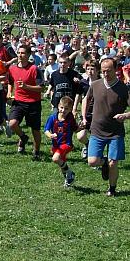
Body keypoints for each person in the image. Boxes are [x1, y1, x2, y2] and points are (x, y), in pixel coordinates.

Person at [87, 57, 129, 197]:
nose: (105, 74)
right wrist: (83, 116)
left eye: (108, 71)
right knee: (92, 161)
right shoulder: (95, 85)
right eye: (103, 71)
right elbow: (87, 99)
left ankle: (112, 188)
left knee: (113, 164)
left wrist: (125, 115)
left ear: (116, 69)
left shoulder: (123, 89)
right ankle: (103, 161)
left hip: (115, 132)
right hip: (97, 130)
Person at [8, 44, 44, 160]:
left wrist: (26, 87)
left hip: (33, 103)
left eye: (23, 53)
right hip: (18, 102)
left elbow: (41, 88)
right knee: (12, 124)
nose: (20, 55)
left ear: (28, 55)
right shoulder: (12, 68)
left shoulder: (34, 69)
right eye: (19, 53)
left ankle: (36, 151)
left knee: (35, 130)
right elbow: (10, 82)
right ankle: (23, 137)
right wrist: (9, 92)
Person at [44, 95, 77, 187]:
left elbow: (75, 128)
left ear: (70, 109)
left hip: (67, 144)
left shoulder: (70, 119)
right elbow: (46, 130)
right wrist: (50, 135)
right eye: (62, 108)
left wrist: (81, 127)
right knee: (61, 162)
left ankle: (70, 173)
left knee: (55, 159)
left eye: (66, 109)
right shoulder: (53, 118)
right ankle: (68, 179)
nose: (63, 110)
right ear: (58, 106)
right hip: (56, 145)